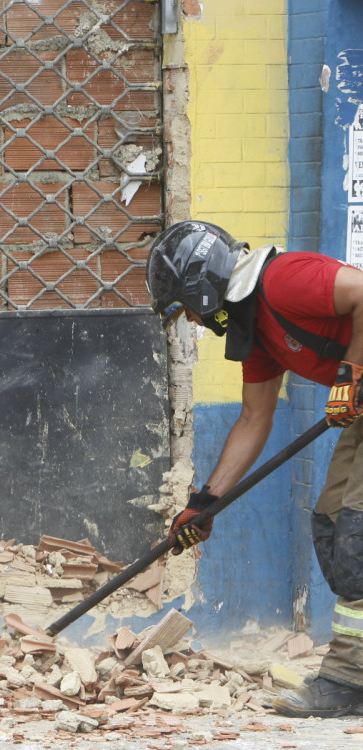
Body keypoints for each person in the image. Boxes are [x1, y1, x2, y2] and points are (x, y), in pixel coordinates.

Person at [147, 220, 363, 719]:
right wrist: (205, 503)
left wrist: (352, 372)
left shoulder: (284, 280)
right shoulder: (257, 333)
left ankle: (350, 679)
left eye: (186, 309)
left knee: (357, 534)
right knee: (333, 527)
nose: (194, 323)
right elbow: (254, 418)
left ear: (202, 286)